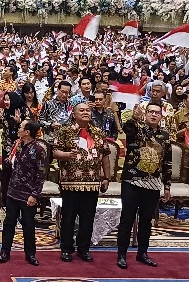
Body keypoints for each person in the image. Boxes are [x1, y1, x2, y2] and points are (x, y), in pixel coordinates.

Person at [116, 102, 172, 269]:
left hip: (153, 183)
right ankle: (122, 254)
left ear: (161, 116)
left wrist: (167, 186)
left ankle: (142, 253)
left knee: (147, 221)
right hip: (132, 181)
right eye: (150, 112)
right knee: (127, 219)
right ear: (146, 114)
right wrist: (134, 117)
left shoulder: (165, 136)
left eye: (157, 113)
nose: (153, 115)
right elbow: (126, 128)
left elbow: (167, 162)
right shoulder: (136, 129)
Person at [53, 103, 110, 263]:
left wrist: (106, 177)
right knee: (68, 218)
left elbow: (105, 155)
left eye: (88, 110)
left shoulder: (98, 133)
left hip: (92, 183)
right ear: (74, 114)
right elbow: (55, 152)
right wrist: (67, 155)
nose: (86, 112)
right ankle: (66, 249)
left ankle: (84, 249)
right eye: (82, 110)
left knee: (88, 219)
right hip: (70, 183)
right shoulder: (64, 131)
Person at [0, 120, 45, 266]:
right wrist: (7, 160)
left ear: (27, 132)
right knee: (9, 223)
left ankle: (30, 254)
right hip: (13, 191)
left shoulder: (39, 149)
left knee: (28, 225)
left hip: (28, 194)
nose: (18, 129)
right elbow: (9, 165)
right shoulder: (17, 145)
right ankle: (5, 251)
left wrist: (34, 194)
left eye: (20, 127)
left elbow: (41, 174)